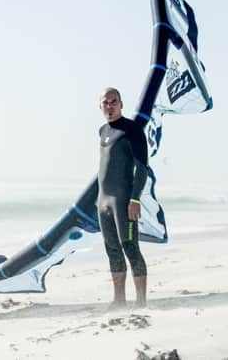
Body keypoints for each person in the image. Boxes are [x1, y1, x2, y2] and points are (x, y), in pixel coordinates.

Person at [98, 87, 148, 309]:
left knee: (130, 246)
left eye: (114, 101)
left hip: (123, 200)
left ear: (121, 104)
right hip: (103, 201)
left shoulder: (133, 130)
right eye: (106, 102)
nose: (110, 106)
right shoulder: (102, 131)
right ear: (100, 106)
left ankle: (141, 302)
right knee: (112, 249)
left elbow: (142, 168)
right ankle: (119, 300)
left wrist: (135, 199)